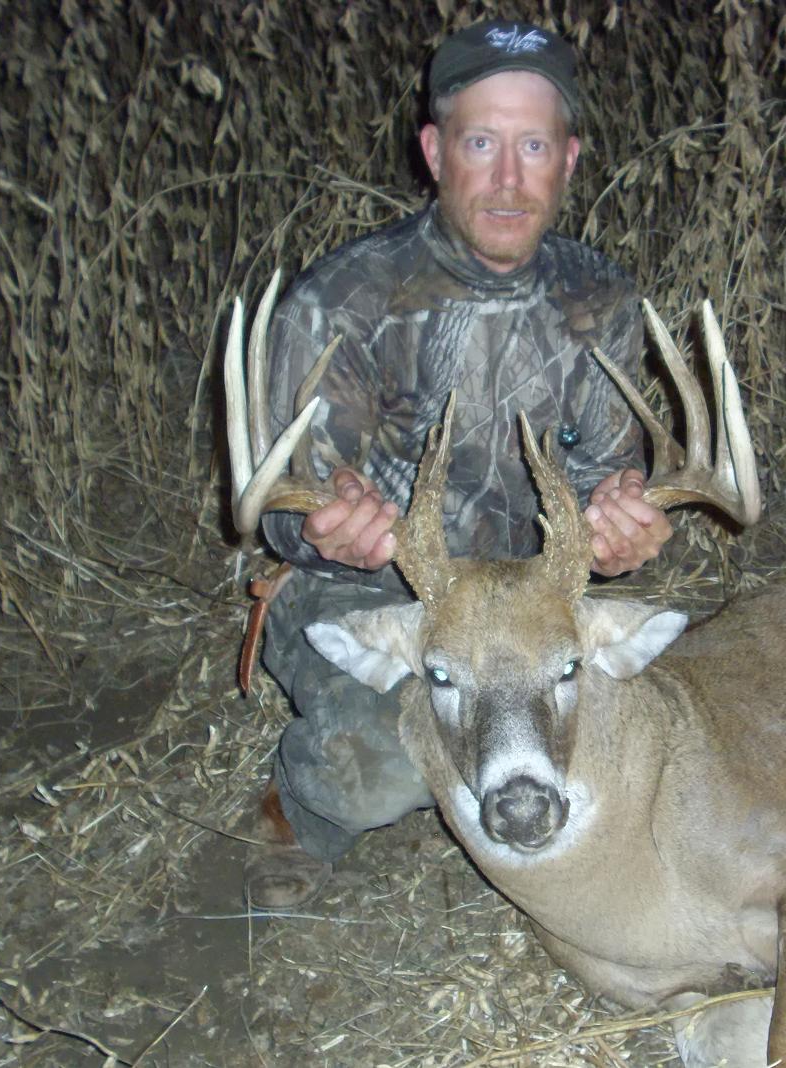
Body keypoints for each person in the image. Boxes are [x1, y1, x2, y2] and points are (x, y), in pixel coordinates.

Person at [243, 20, 672, 909]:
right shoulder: (344, 300)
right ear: (436, 152)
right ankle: (298, 815)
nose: (509, 178)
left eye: (533, 145)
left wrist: (617, 532)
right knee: (383, 773)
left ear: (569, 159)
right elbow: (281, 513)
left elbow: (603, 480)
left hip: (525, 601)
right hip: (378, 593)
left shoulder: (600, 299)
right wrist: (327, 528)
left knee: (642, 722)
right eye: (482, 143)